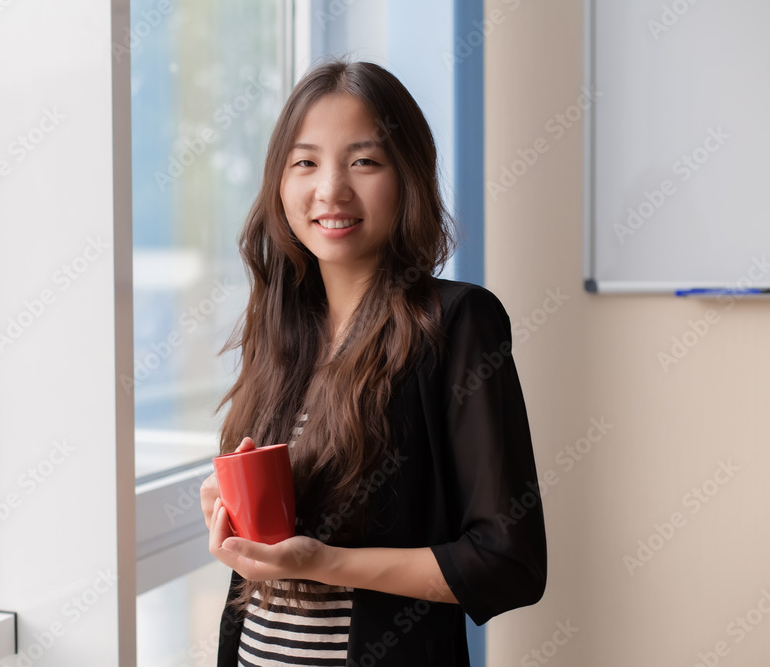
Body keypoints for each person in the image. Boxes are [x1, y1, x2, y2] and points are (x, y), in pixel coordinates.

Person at [200, 59, 547, 667]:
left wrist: (327, 564)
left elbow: (507, 561)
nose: (330, 189)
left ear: (407, 177)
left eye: (364, 161)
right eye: (305, 162)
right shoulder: (280, 331)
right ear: (279, 184)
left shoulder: (457, 323)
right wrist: (232, 517)